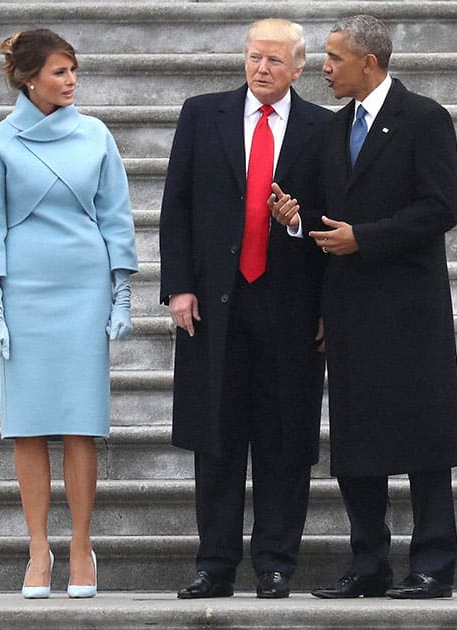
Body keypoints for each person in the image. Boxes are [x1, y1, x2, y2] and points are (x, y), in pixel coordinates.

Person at [272, 14, 457, 600]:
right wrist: (298, 220)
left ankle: (432, 562)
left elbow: (440, 209)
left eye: (333, 58)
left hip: (410, 309)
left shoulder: (425, 118)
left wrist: (366, 237)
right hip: (350, 307)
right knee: (356, 442)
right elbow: (329, 212)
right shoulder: (333, 130)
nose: (323, 69)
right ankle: (369, 563)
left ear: (369, 63)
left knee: (424, 439)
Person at [158, 18, 330, 599]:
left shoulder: (323, 128)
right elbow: (175, 205)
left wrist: (299, 223)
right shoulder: (202, 114)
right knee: (218, 438)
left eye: (276, 61)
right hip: (215, 304)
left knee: (284, 440)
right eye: (255, 57)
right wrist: (179, 287)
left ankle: (277, 563)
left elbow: (331, 218)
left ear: (300, 68)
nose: (262, 69)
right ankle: (215, 564)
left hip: (290, 305)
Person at [0, 29, 138, 599]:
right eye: (60, 72)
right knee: (27, 424)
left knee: (80, 421)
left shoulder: (96, 135)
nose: (71, 81)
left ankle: (81, 546)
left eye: (74, 71)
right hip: (25, 290)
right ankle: (38, 548)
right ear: (29, 78)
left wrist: (122, 292)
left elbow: (116, 216)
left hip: (83, 287)